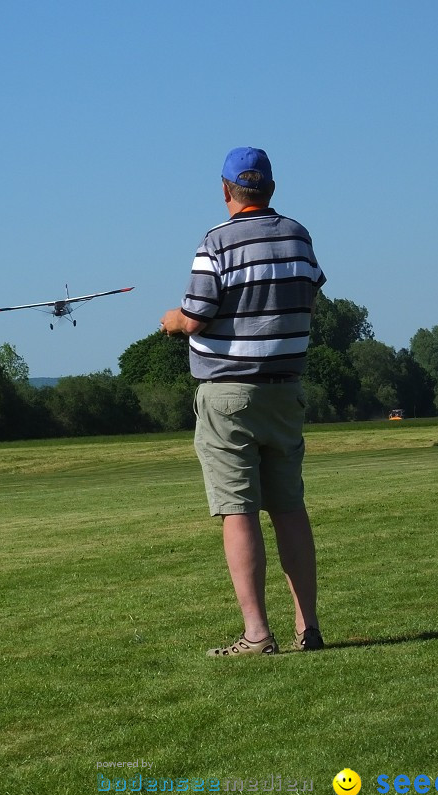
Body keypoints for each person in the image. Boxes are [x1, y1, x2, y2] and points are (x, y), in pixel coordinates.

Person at [159, 146, 326, 656]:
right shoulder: (298, 234)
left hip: (228, 393)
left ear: (227, 190)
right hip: (287, 391)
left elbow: (196, 317)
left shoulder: (216, 242)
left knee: (239, 511)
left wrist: (170, 322)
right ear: (270, 188)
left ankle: (257, 634)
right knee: (290, 508)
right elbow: (310, 293)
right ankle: (309, 628)